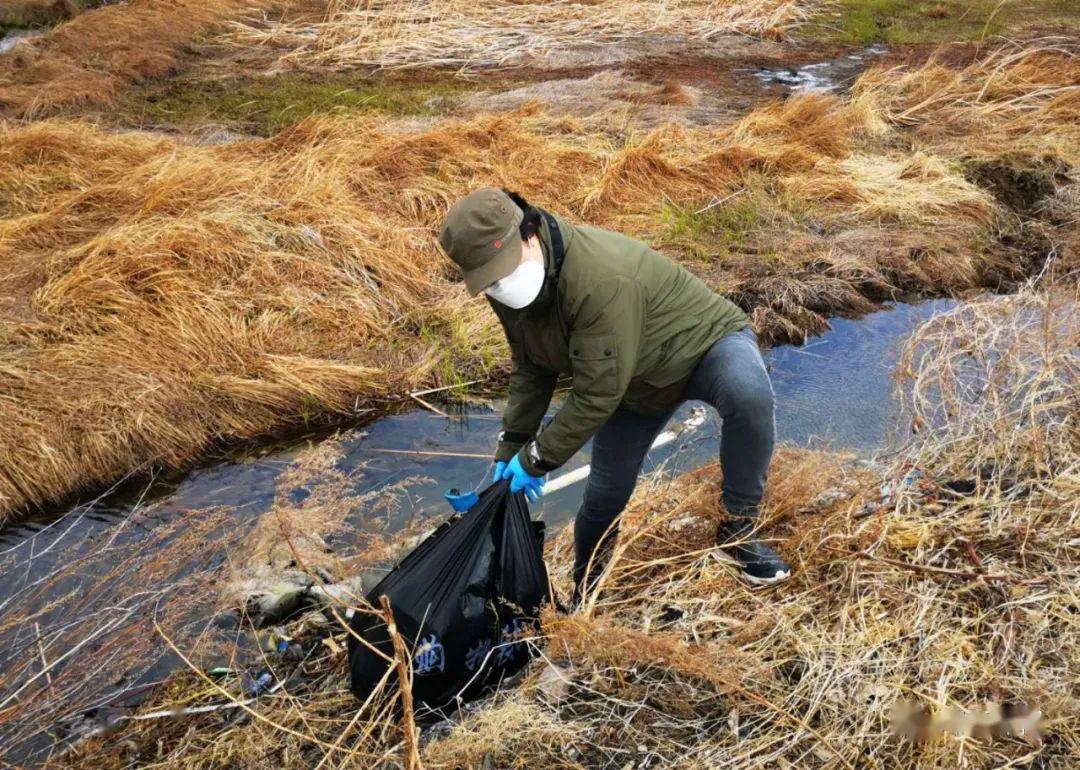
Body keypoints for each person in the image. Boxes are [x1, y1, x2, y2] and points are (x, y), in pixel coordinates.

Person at [438, 187, 791, 600]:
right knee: (606, 493)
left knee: (748, 394)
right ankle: (588, 588)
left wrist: (537, 458)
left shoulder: (600, 278)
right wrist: (512, 443)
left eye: (503, 271)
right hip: (633, 383)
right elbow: (532, 367)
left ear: (529, 233)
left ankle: (738, 530)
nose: (500, 287)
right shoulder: (511, 286)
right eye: (490, 282)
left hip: (702, 347)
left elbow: (596, 393)